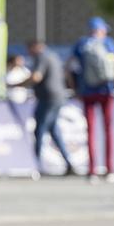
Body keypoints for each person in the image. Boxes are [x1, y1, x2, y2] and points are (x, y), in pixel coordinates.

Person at [69, 17, 114, 182]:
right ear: (102, 30)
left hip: (87, 91)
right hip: (106, 91)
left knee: (90, 131)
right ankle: (109, 169)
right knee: (108, 130)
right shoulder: (109, 43)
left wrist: (76, 89)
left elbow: (69, 68)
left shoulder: (81, 44)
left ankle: (92, 171)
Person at [28, 40, 74, 174]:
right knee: (53, 131)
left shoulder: (41, 56)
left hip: (48, 98)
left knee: (40, 129)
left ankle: (36, 164)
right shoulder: (54, 56)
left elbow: (36, 77)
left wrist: (18, 84)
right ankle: (68, 162)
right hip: (58, 97)